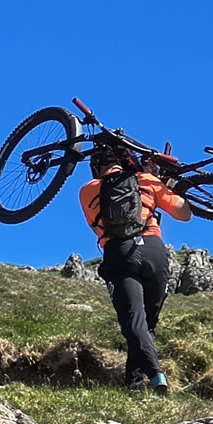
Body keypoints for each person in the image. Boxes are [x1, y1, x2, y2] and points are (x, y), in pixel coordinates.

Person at [79, 145, 192, 393]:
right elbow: (184, 214)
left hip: (119, 253)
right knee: (146, 324)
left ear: (95, 168)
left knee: (134, 322)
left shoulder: (87, 191)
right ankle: (133, 386)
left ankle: (155, 374)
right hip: (154, 250)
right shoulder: (146, 180)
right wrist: (164, 186)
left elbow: (96, 225)